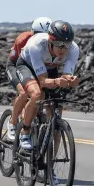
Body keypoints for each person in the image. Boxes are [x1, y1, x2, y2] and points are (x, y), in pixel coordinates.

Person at [14, 19, 81, 152]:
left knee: (57, 108)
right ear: (50, 41)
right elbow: (43, 81)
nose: (63, 49)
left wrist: (71, 80)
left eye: (66, 45)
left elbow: (66, 76)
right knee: (37, 94)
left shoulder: (73, 49)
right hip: (27, 65)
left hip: (49, 67)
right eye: (59, 45)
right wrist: (56, 81)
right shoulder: (37, 45)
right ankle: (25, 132)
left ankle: (50, 164)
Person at [5, 17, 52, 141]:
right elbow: (19, 63)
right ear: (32, 32)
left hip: (34, 67)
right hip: (15, 66)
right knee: (24, 93)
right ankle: (13, 122)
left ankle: (29, 121)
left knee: (39, 95)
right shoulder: (23, 39)